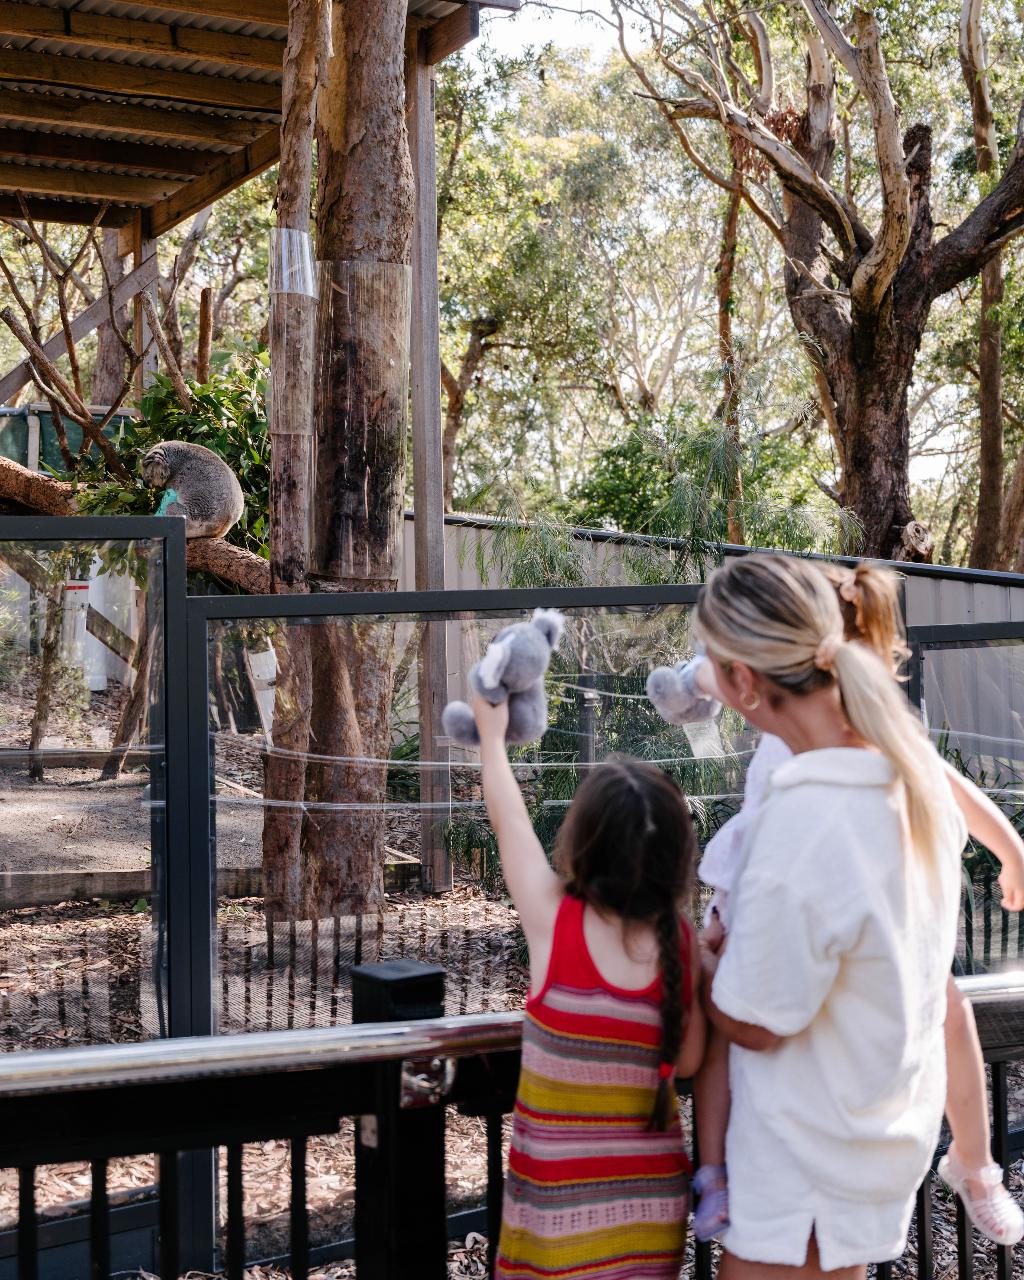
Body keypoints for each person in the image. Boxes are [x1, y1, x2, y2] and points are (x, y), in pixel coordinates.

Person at [682, 561, 1024, 1248]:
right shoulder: (907, 779)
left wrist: (700, 962)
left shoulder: (805, 818)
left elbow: (757, 1022)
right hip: (872, 1155)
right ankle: (975, 1161)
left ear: (745, 682)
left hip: (800, 1174)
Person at [469, 690, 706, 1280]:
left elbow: (510, 824)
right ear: (677, 854)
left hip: (559, 1219)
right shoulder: (681, 945)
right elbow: (693, 1057)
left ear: (583, 839)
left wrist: (492, 739)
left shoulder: (556, 919)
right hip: (651, 1213)